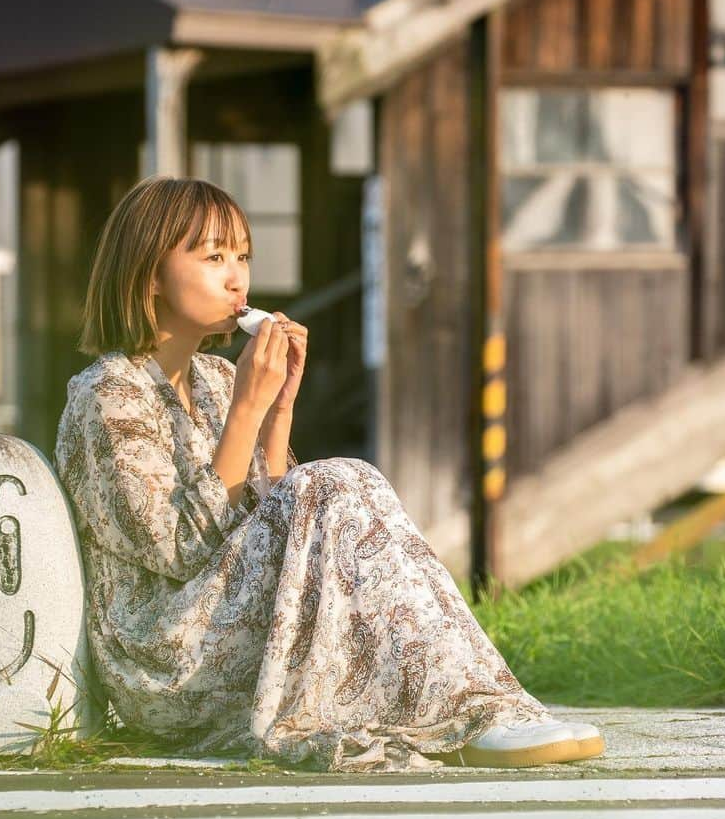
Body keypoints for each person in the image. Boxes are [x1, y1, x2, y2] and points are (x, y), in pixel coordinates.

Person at [54, 176, 604, 773]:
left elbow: (278, 513)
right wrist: (247, 407)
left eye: (243, 257)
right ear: (149, 275)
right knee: (335, 480)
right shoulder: (108, 395)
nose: (237, 278)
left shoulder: (214, 377)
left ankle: (483, 710)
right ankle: (470, 717)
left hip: (229, 624)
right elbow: (182, 549)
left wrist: (278, 409)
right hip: (166, 663)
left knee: (344, 481)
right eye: (214, 257)